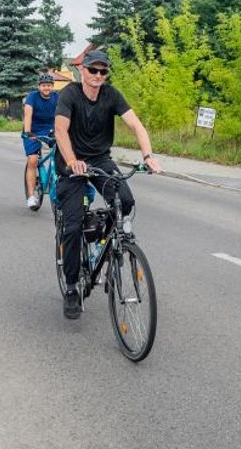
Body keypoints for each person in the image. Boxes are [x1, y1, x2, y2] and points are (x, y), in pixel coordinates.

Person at [54, 49, 162, 320]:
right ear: (82, 70)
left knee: (125, 201)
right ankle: (71, 288)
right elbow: (60, 130)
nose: (98, 75)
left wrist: (147, 156)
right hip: (72, 163)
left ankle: (106, 243)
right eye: (93, 70)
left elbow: (136, 125)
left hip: (100, 160)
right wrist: (72, 161)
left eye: (103, 71)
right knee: (73, 226)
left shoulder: (111, 95)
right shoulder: (69, 95)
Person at [20, 72, 59, 210]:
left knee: (62, 155)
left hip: (50, 129)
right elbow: (28, 114)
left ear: (52, 86)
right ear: (39, 86)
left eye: (49, 85)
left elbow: (63, 114)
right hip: (33, 130)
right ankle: (31, 196)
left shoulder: (57, 97)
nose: (46, 88)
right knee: (32, 160)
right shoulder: (32, 96)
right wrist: (27, 132)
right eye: (43, 85)